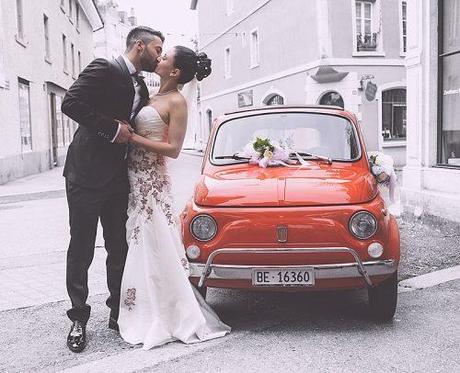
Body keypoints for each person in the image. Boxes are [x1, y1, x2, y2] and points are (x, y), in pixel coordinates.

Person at [117, 46, 230, 349]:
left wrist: (132, 137)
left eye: (165, 57)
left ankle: (161, 312)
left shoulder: (177, 101)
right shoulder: (150, 96)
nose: (160, 59)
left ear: (176, 71)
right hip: (135, 178)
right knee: (138, 241)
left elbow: (174, 149)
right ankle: (140, 304)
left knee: (154, 243)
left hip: (151, 183)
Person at [61, 26, 164, 353]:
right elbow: (70, 102)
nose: (159, 55)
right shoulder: (104, 67)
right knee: (82, 247)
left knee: (118, 247)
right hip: (85, 175)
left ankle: (118, 312)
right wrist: (110, 128)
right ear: (140, 45)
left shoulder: (139, 83)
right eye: (157, 49)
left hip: (118, 178)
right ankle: (78, 318)